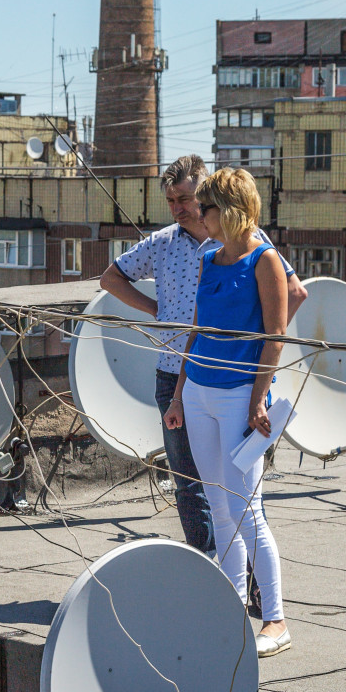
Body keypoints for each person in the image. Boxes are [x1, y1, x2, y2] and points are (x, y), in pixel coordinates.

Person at [101, 155, 307, 554]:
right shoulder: (162, 243)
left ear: (207, 194)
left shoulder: (248, 241)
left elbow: (294, 294)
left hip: (234, 380)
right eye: (170, 201)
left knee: (241, 494)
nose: (178, 208)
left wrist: (257, 340)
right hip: (175, 379)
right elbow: (111, 277)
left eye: (185, 198)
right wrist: (154, 309)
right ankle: (208, 574)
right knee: (190, 487)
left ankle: (251, 587)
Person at [162, 168, 291, 657]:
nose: (199, 213)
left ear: (231, 211)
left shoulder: (266, 260)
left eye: (207, 207)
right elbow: (195, 332)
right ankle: (231, 606)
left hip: (240, 397)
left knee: (246, 509)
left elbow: (274, 337)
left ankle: (276, 620)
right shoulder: (209, 259)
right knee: (218, 506)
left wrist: (259, 398)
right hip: (198, 392)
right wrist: (178, 397)